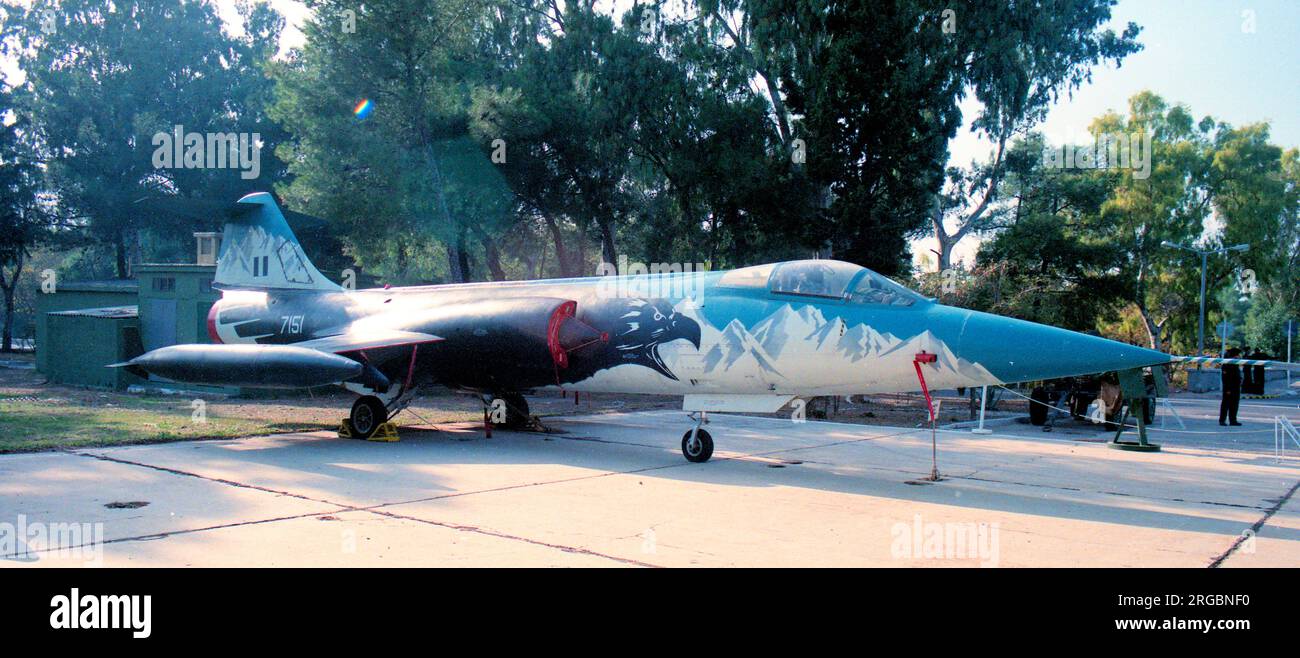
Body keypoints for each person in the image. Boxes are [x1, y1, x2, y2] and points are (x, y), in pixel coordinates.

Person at [1220, 348, 1242, 426]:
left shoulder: (1235, 363)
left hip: (1236, 387)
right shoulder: (1227, 364)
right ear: (1234, 356)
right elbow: (1225, 378)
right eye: (1238, 355)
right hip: (1229, 387)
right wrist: (1228, 388)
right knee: (1226, 404)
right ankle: (1222, 420)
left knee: (1234, 404)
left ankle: (1233, 420)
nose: (1239, 357)